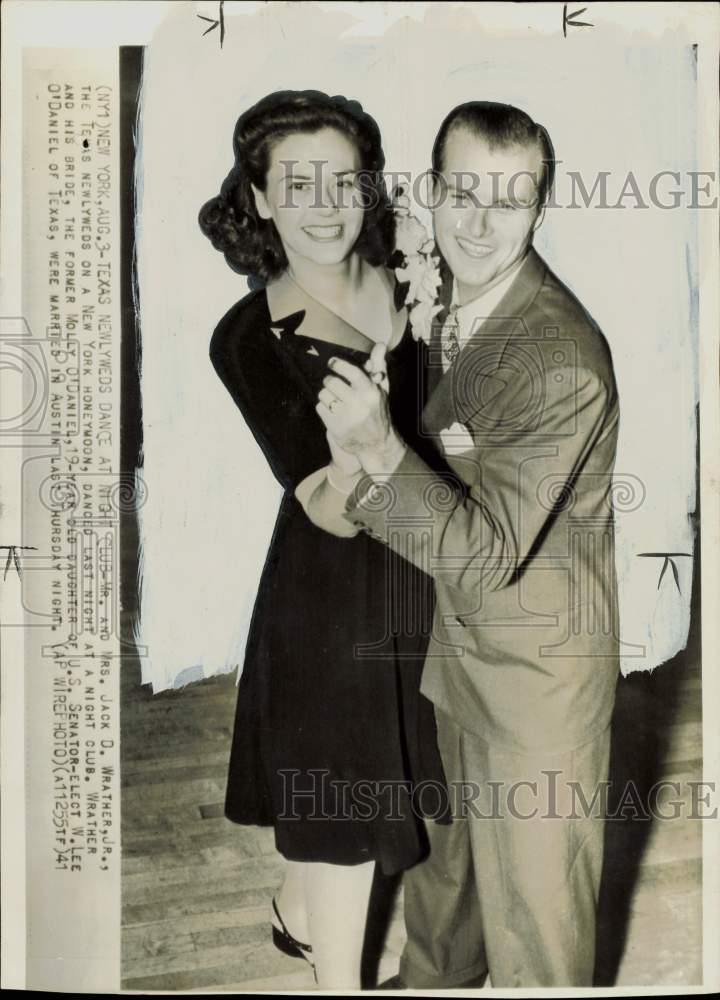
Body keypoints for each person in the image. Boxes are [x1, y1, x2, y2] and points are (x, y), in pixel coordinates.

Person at [317, 101, 620, 987]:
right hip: (457, 662)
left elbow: (488, 560)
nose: (481, 224)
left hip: (537, 690)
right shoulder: (453, 288)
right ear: (431, 192)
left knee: (538, 942)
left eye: (511, 200)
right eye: (463, 193)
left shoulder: (561, 357)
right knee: (444, 907)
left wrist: (376, 451)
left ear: (542, 207)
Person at [197, 90, 446, 990]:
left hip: (428, 564)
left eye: (344, 180)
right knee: (345, 800)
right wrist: (357, 439)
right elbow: (329, 510)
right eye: (296, 184)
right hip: (330, 591)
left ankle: (295, 915)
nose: (325, 203)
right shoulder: (247, 338)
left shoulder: (419, 277)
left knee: (385, 769)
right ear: (259, 199)